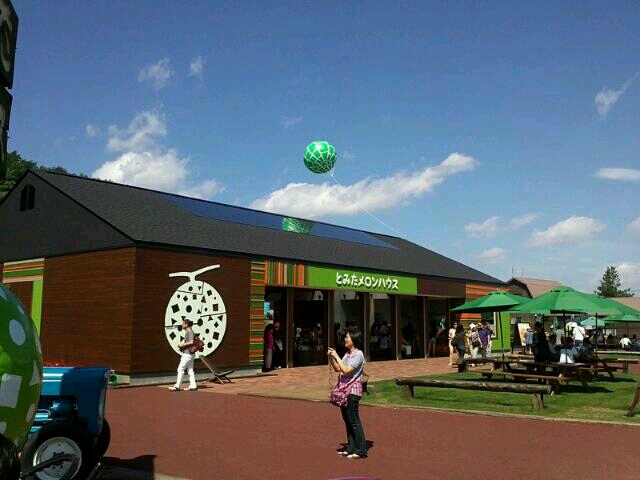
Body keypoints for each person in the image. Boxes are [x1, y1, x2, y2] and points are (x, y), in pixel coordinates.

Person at [328, 328, 367, 459]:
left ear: (354, 340)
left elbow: (346, 370)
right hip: (344, 391)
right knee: (347, 420)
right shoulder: (347, 355)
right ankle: (351, 448)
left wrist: (336, 356)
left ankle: (361, 449)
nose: (345, 339)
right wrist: (331, 357)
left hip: (353, 391)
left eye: (347, 337)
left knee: (354, 420)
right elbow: (337, 368)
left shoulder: (358, 355)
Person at [169, 319, 198, 391]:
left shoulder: (190, 332)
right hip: (190, 354)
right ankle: (193, 386)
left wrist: (183, 344)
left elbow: (191, 342)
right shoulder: (189, 332)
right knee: (190, 370)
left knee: (180, 369)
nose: (181, 325)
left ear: (186, 324)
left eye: (183, 323)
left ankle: (177, 386)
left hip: (187, 354)